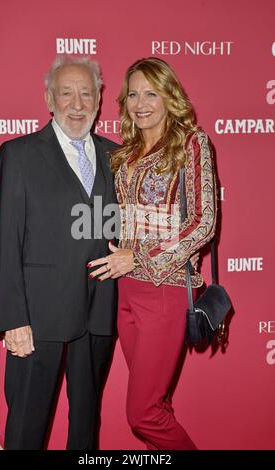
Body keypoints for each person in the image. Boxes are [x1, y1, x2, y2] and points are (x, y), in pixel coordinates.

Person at [88, 57, 217, 450]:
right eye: (133, 94)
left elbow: (204, 221)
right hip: (125, 293)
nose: (140, 102)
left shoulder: (192, 142)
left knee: (142, 412)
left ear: (169, 96)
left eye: (151, 93)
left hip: (166, 289)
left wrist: (141, 259)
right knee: (156, 406)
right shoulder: (124, 154)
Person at [0, 56, 119, 450]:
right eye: (66, 93)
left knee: (86, 427)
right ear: (49, 98)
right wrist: (14, 319)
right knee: (27, 426)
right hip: (38, 318)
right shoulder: (20, 154)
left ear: (99, 100)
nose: (77, 104)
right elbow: (5, 241)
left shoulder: (118, 158)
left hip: (98, 312)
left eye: (86, 93)